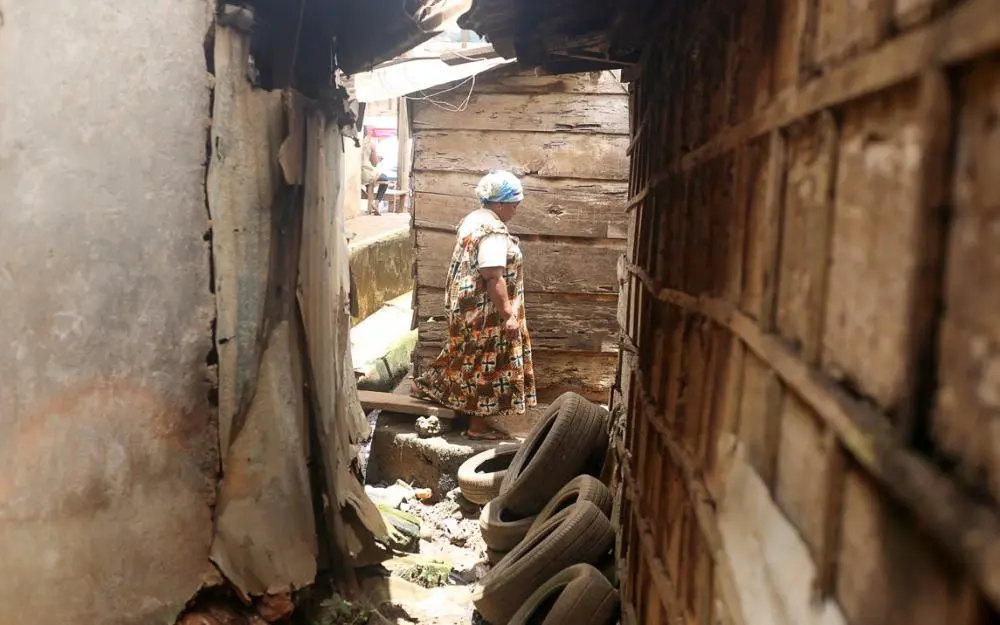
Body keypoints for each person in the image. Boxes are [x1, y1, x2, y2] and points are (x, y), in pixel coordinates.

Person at [411, 170, 537, 440]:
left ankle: (427, 387)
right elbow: (493, 276)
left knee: (465, 356)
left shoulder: (473, 219)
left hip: (467, 308)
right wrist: (508, 315)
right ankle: (476, 427)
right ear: (499, 203)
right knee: (489, 364)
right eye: (514, 204)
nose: (516, 209)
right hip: (486, 312)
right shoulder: (492, 232)